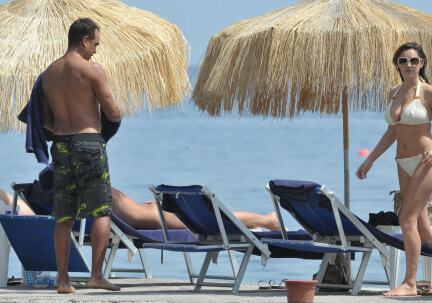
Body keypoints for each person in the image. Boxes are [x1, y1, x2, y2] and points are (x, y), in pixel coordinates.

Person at [355, 42, 432, 296]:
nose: (409, 65)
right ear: (397, 64)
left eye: (414, 61)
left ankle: (410, 284)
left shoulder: (429, 92)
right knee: (422, 227)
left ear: (422, 63)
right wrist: (370, 159)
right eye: (403, 61)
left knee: (406, 219)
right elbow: (392, 132)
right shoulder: (394, 92)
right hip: (401, 162)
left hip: (427, 161)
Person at [41, 18, 123, 293]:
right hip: (88, 142)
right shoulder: (92, 70)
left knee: (63, 215)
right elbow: (112, 112)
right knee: (101, 209)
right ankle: (96, 275)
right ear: (85, 40)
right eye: (95, 44)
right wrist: (118, 114)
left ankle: (63, 281)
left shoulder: (48, 74)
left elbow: (45, 121)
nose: (96, 51)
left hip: (61, 146)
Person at [0, 187, 282, 231]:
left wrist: (5, 196)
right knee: (206, 221)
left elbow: (26, 218)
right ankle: (267, 220)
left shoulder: (50, 193)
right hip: (138, 211)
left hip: (142, 215)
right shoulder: (68, 189)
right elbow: (25, 216)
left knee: (206, 223)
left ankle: (267, 220)